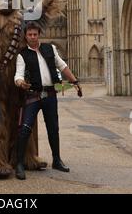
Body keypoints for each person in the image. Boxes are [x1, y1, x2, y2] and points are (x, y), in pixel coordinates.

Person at [14, 21, 83, 180]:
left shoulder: (49, 49)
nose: (32, 37)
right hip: (33, 96)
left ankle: (57, 160)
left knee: (54, 128)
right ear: (26, 36)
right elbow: (18, 75)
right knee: (24, 128)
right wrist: (20, 82)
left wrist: (75, 82)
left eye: (35, 34)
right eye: (29, 34)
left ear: (39, 34)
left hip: (50, 95)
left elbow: (62, 66)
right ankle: (19, 164)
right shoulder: (22, 55)